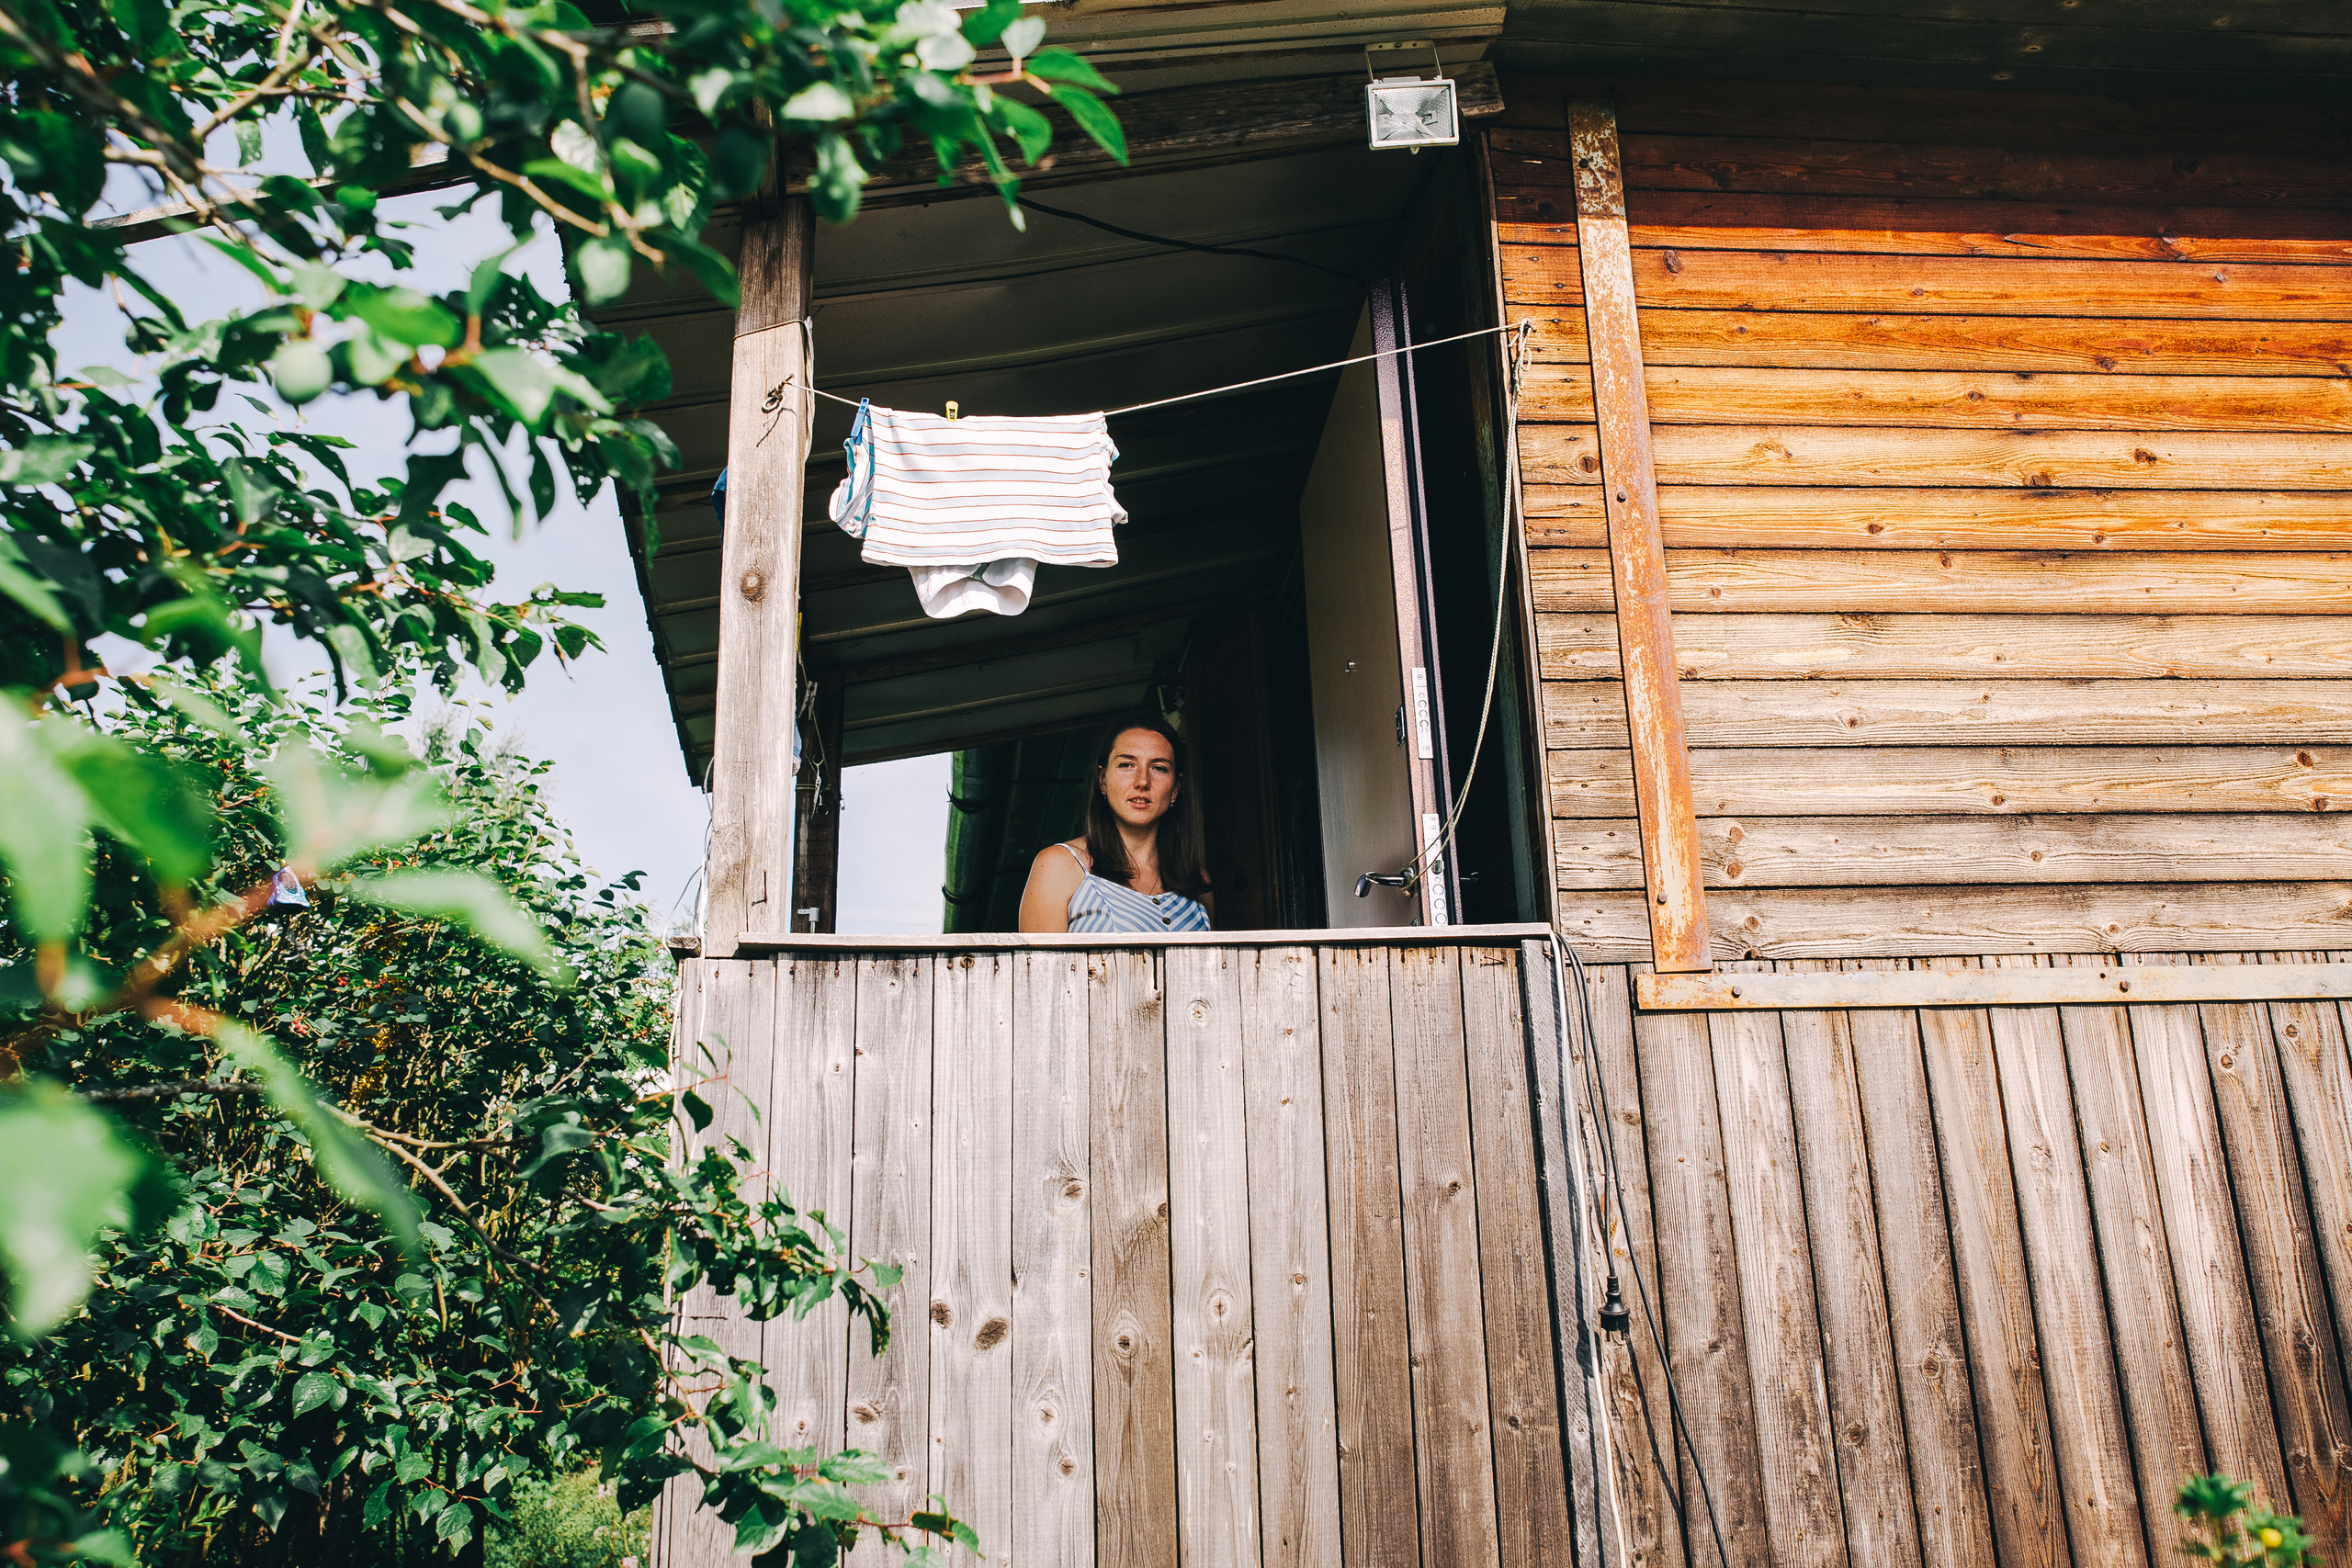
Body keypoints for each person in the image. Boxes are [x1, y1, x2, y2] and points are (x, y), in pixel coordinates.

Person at [1018, 715, 1214, 933]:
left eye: (1158, 768)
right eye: (1127, 765)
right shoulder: (1060, 865)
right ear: (1103, 780)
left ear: (1175, 789)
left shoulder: (1197, 882)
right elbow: (1038, 967)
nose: (1142, 782)